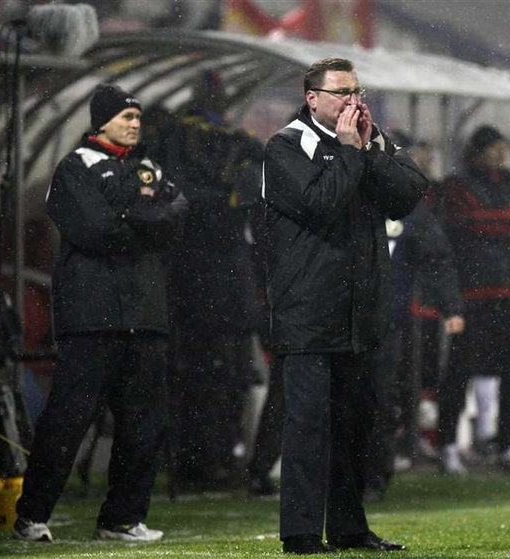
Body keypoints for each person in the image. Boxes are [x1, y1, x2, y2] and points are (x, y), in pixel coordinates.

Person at [261, 57, 427, 554]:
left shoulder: (366, 140)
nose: (352, 101)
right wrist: (352, 152)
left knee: (356, 426)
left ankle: (351, 528)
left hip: (361, 312)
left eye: (356, 91)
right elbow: (321, 204)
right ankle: (302, 533)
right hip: (308, 312)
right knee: (308, 427)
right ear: (312, 98)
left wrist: (371, 148)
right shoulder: (286, 146)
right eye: (340, 93)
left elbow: (408, 194)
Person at [13, 83, 187, 543]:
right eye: (126, 116)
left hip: (145, 314)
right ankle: (31, 516)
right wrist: (141, 219)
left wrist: (132, 218)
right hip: (92, 316)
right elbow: (93, 229)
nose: (135, 123)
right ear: (102, 120)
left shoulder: (149, 167)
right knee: (68, 418)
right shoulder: (75, 166)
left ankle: (122, 518)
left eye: (137, 117)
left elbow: (177, 217)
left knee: (142, 423)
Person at [159, 70, 264, 491]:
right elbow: (186, 200)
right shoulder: (182, 140)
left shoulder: (225, 145)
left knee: (224, 377)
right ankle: (203, 461)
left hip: (219, 285)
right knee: (209, 378)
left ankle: (216, 457)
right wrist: (228, 194)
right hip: (207, 284)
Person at [433, 125, 510, 475]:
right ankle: (447, 445)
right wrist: (508, 224)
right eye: (495, 148)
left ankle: (507, 445)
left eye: (504, 147)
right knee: (460, 370)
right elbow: (464, 224)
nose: (502, 154)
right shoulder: (457, 185)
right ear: (477, 152)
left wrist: (495, 225)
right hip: (475, 294)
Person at [363, 133, 464, 501]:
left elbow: (437, 258)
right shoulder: (342, 195)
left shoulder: (409, 208)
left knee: (378, 397)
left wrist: (450, 305)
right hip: (339, 318)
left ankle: (374, 476)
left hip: (385, 321)